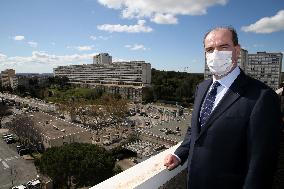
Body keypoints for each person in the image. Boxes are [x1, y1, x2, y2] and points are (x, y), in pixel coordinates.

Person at [164, 26, 282, 189]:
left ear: (237, 50)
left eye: (223, 47)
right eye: (210, 49)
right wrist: (179, 154)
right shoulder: (202, 87)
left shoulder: (262, 97)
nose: (215, 54)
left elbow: (261, 163)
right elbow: (196, 130)